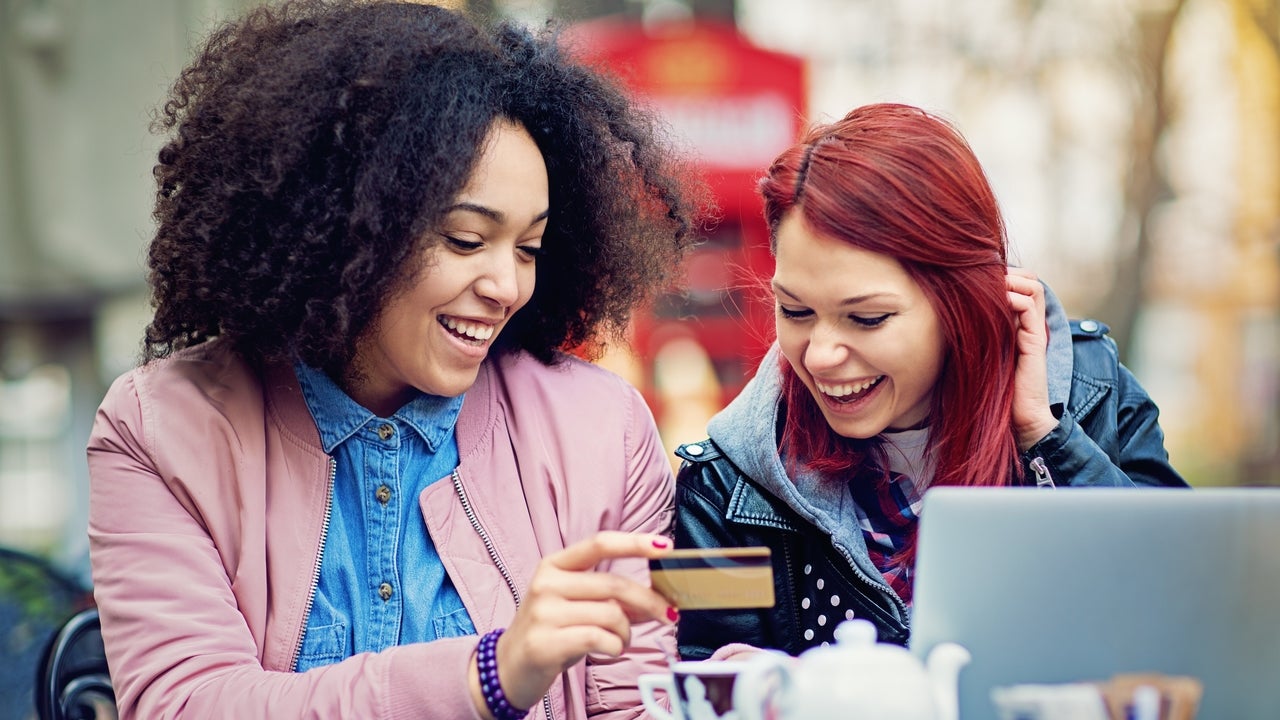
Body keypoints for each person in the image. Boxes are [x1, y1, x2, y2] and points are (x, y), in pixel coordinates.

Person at [85, 1, 704, 717]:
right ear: (350, 227)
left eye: (528, 248)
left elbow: (635, 701)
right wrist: (489, 673)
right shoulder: (160, 430)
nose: (506, 286)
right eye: (467, 241)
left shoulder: (602, 428)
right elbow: (186, 704)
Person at [672, 103, 1187, 662]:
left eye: (866, 318)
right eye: (795, 312)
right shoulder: (720, 488)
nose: (820, 356)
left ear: (961, 303)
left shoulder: (1096, 394)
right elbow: (694, 678)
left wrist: (1046, 439)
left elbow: (1187, 609)